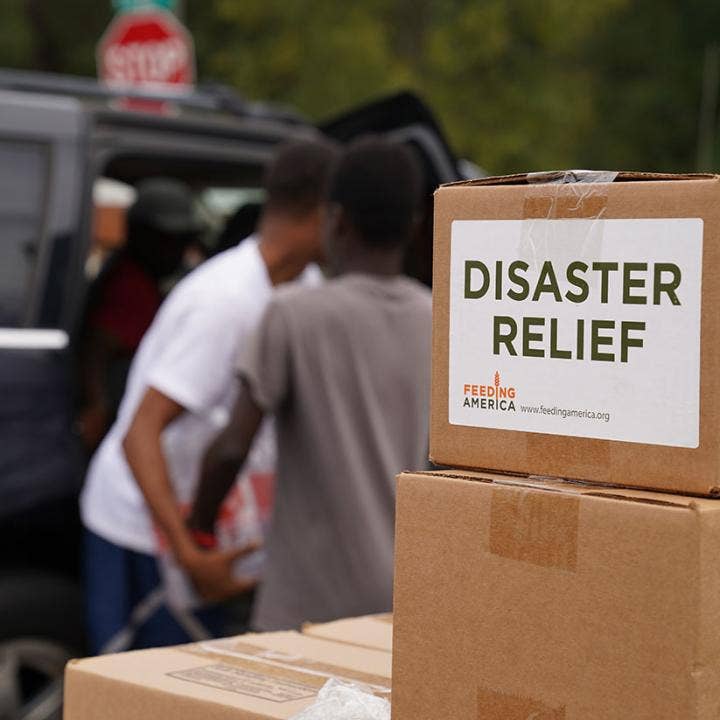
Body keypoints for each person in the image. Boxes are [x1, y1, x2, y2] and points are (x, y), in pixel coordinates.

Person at [80, 139, 339, 654]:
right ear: (324, 213)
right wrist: (188, 556)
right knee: (144, 690)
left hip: (200, 525)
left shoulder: (304, 286)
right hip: (142, 526)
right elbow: (140, 431)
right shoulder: (224, 303)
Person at [188, 138, 432, 631]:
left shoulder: (292, 316)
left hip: (307, 608)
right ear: (414, 226)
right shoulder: (442, 322)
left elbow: (232, 447)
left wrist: (197, 528)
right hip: (406, 599)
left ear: (334, 221)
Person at [77, 178, 204, 452]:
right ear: (141, 236)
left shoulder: (144, 279)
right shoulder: (130, 285)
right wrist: (96, 405)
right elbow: (97, 347)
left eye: (184, 240)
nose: (178, 251)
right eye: (169, 240)